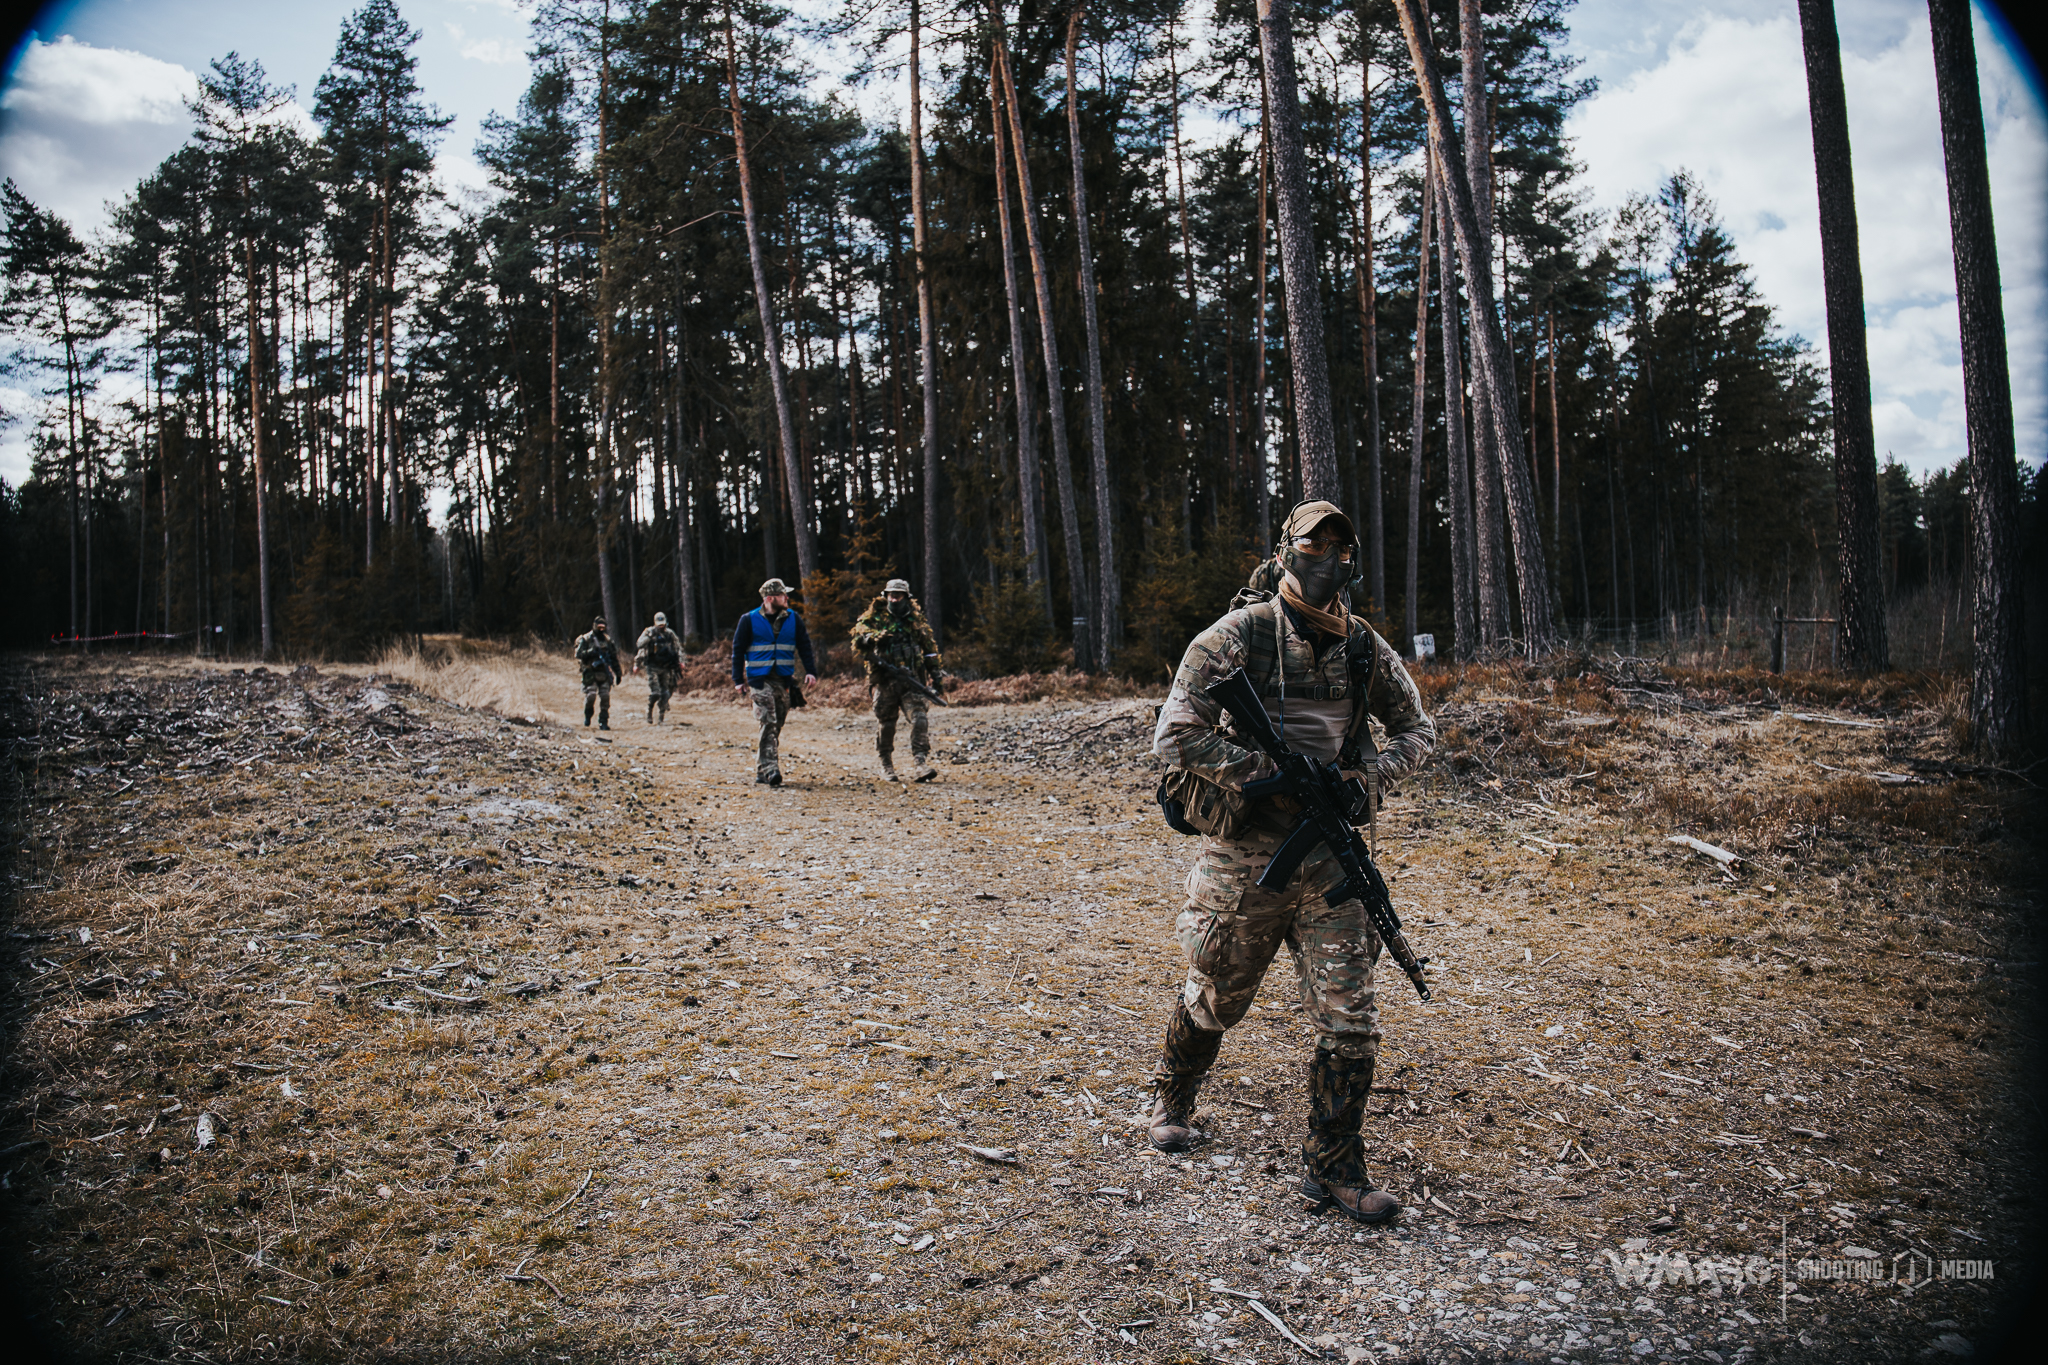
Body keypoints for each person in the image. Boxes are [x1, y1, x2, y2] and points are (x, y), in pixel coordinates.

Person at [1146, 499, 1437, 1225]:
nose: (1327, 559)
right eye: (1313, 545)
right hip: (1249, 851)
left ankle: (1334, 1163)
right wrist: (1259, 773)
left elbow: (1417, 730)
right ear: (1285, 554)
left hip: (1331, 853)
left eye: (1341, 548)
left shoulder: (1366, 647)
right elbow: (1175, 735)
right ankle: (1174, 1094)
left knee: (1352, 1018)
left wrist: (1361, 781)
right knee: (1215, 993)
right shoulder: (1237, 636)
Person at [849, 578, 943, 782]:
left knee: (919, 719)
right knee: (887, 724)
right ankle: (886, 765)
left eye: (898, 594)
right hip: (885, 681)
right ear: (885, 596)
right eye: (891, 594)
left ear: (906, 597)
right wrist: (874, 637)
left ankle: (920, 763)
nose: (894, 598)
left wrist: (936, 676)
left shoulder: (916, 621)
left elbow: (930, 650)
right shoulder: (873, 617)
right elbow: (858, 638)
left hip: (912, 680)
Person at [730, 578, 817, 786]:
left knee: (776, 722)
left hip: (784, 679)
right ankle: (771, 769)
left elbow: (804, 646)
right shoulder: (748, 620)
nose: (787, 598)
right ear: (770, 598)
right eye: (782, 595)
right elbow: (738, 650)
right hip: (759, 680)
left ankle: (761, 769)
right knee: (768, 719)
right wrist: (738, 679)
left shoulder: (794, 619)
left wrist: (811, 671)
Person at [635, 612, 685, 724]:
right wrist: (637, 664)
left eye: (663, 624)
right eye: (659, 625)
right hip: (652, 666)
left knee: (665, 693)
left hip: (666, 667)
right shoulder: (649, 632)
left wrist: (681, 661)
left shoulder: (670, 634)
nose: (661, 627)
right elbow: (639, 645)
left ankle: (661, 717)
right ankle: (650, 709)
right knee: (655, 693)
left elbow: (678, 648)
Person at [575, 617, 624, 730]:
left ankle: (603, 721)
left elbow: (613, 658)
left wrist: (618, 673)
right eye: (599, 627)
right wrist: (590, 653)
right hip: (590, 672)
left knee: (605, 697)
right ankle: (588, 716)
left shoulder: (607, 640)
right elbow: (578, 654)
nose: (601, 629)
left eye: (603, 627)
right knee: (591, 695)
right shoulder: (586, 639)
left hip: (604, 673)